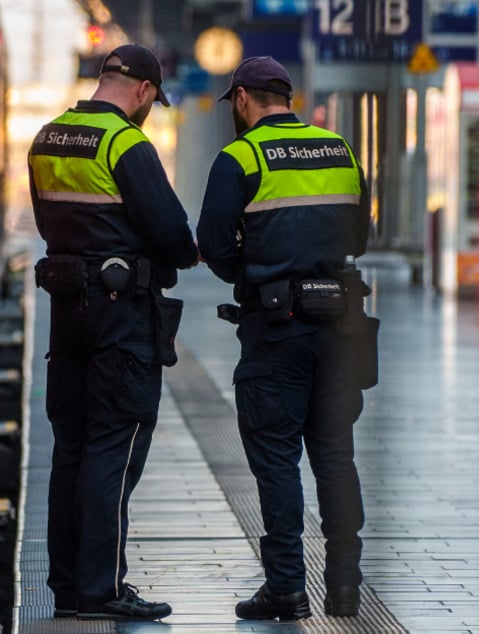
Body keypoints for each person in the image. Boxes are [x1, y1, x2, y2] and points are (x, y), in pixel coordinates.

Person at [196, 56, 373, 621]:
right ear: (289, 97)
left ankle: (287, 589)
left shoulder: (239, 157)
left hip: (277, 330)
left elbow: (217, 249)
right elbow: (360, 237)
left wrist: (261, 269)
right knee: (336, 456)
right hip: (340, 327)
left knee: (276, 461)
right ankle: (345, 589)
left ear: (243, 99)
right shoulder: (340, 150)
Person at [27, 43, 199, 621]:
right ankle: (105, 589)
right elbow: (172, 231)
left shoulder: (48, 136)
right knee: (113, 448)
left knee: (70, 447)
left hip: (66, 309)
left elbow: (50, 221)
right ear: (146, 90)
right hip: (120, 318)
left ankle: (70, 588)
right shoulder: (125, 143)